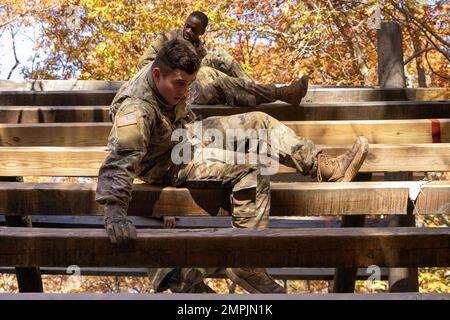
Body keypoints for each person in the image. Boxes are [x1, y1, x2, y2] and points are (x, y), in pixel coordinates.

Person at [96, 39, 369, 294]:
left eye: (189, 84)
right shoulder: (136, 109)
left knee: (259, 123)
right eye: (179, 84)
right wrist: (115, 213)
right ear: (157, 75)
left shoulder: (173, 82)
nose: (184, 91)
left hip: (184, 136)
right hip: (164, 162)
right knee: (252, 169)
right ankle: (245, 261)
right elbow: (120, 158)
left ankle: (327, 168)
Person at [138, 11, 308, 107]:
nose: (188, 31)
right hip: (178, 92)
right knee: (221, 81)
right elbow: (143, 65)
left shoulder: (198, 47)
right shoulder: (168, 38)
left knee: (218, 56)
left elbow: (205, 70)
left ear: (202, 32)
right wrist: (170, 68)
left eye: (194, 29)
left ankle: (251, 88)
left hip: (193, 86)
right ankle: (280, 93)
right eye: (187, 26)